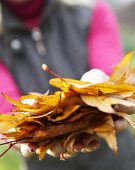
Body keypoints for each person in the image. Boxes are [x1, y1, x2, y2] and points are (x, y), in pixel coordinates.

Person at [0, 0, 135, 170]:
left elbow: (110, 72)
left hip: (117, 159)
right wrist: (20, 125)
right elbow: (7, 109)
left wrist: (104, 86)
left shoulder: (88, 9)